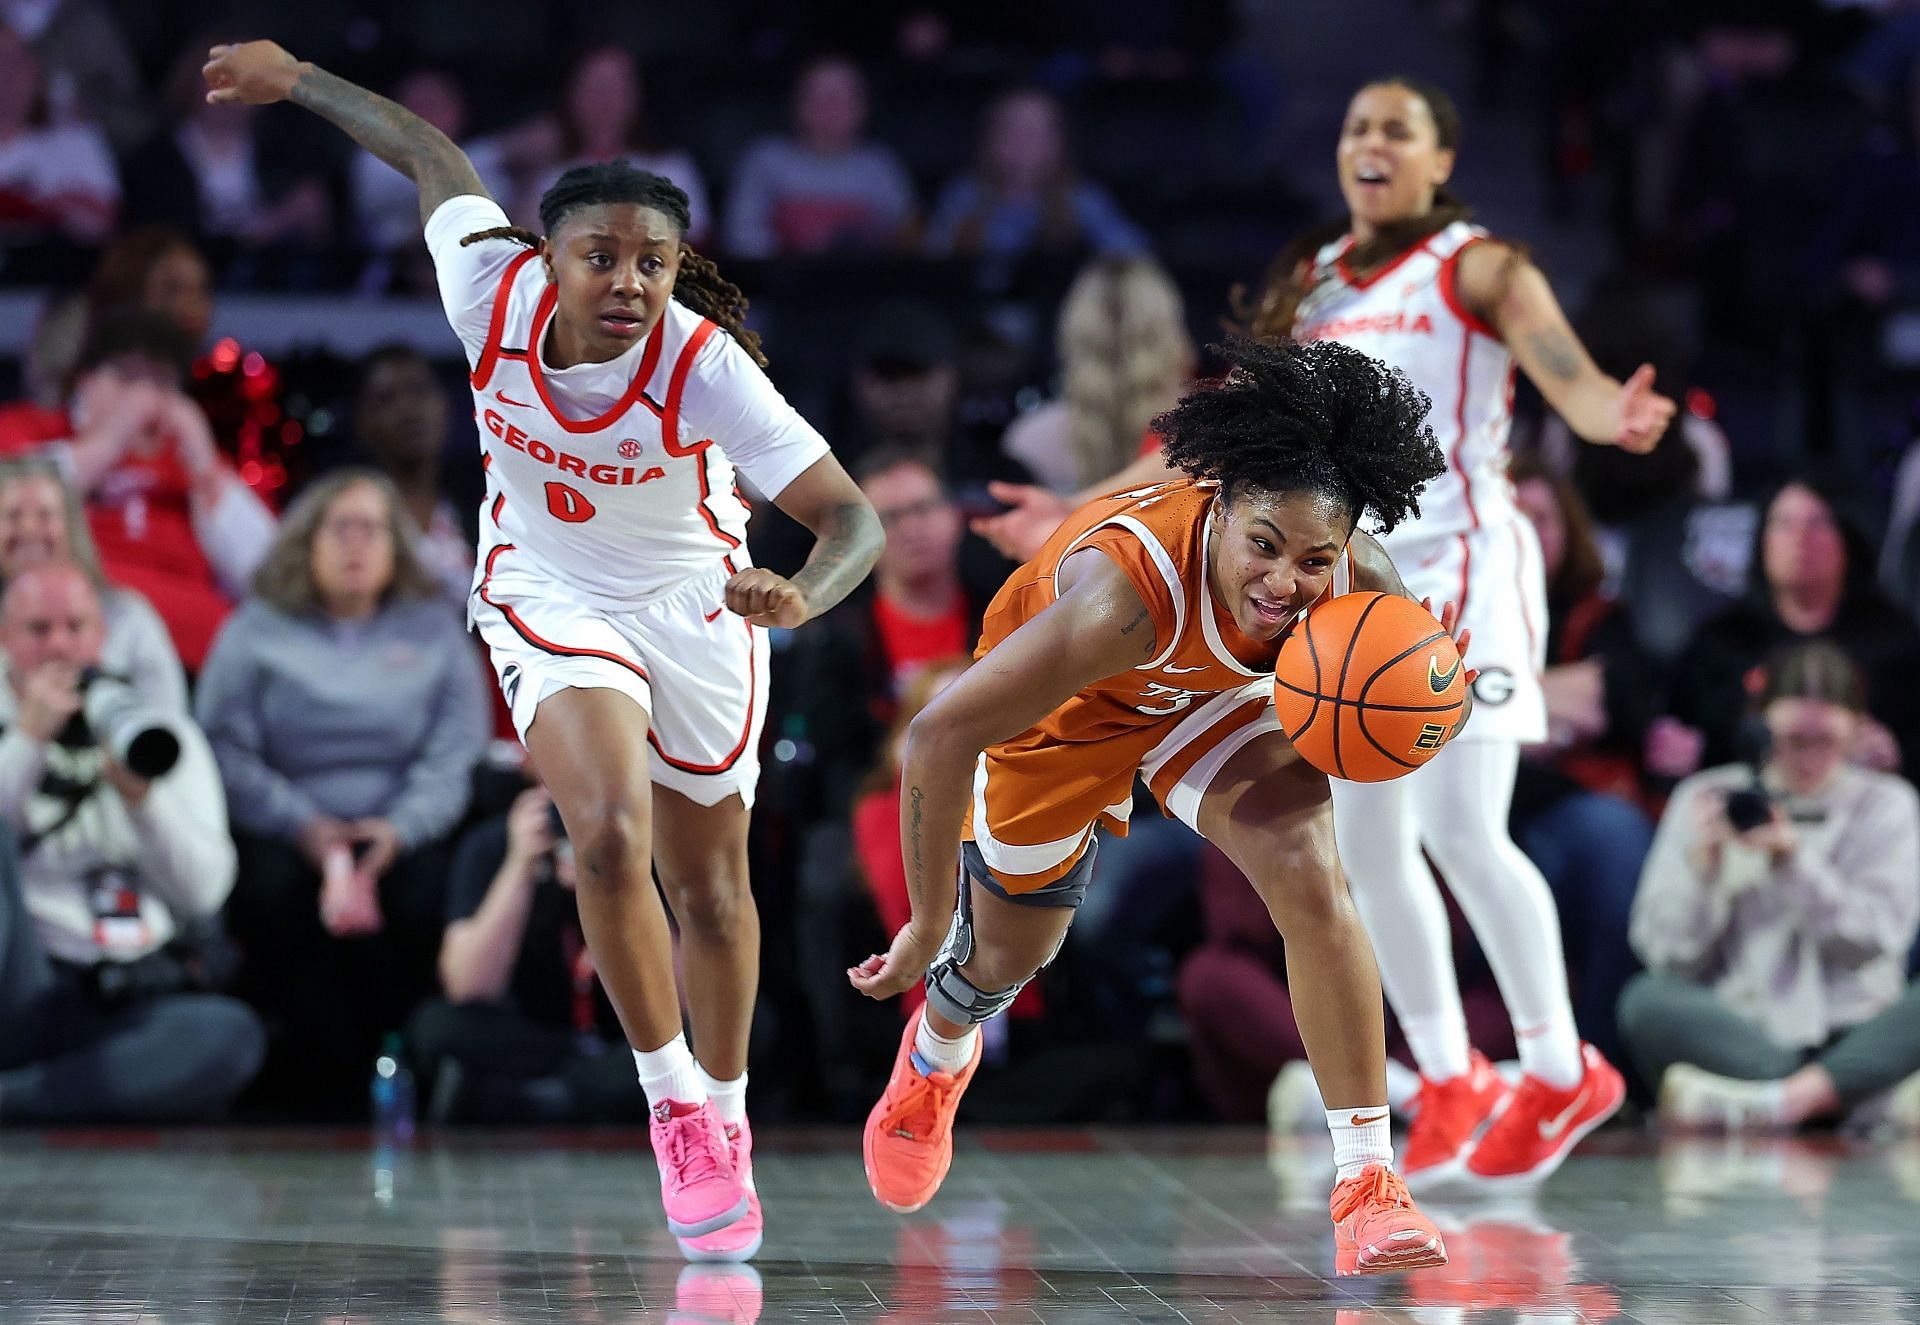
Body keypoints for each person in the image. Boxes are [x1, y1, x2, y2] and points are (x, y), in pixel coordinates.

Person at [203, 39, 882, 1259]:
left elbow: (854, 518)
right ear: (549, 255)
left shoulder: (704, 364)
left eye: (653, 262)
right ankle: (673, 1102)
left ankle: (726, 1115)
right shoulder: (488, 291)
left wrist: (801, 594)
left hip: (699, 604)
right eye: (602, 255)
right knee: (608, 831)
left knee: (713, 889)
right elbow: (427, 149)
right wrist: (296, 77)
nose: (628, 281)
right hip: (548, 589)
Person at [975, 76, 1668, 1188]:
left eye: (1398, 129)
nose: (1371, 144)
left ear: (1442, 161)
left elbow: (1566, 371)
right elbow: (1224, 441)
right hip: (1341, 582)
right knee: (1372, 849)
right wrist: (1077, 509)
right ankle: (1449, 1076)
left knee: (1460, 827)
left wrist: (1607, 415)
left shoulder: (1480, 264)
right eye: (1356, 128)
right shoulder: (1313, 283)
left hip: (1462, 576)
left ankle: (1556, 1064)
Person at [849, 336, 1458, 1277]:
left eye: (1311, 559)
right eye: (1263, 544)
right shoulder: (1120, 596)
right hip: (1077, 702)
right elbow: (935, 736)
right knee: (1014, 951)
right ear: (1219, 511)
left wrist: (1424, 710)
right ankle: (937, 1053)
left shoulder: (1355, 580)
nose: (1285, 583)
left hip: (1211, 700)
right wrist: (929, 922)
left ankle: (1367, 1181)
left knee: (1309, 871)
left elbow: (1393, 709)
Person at [194, 470, 491, 1117]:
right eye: (340, 528)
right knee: (270, 893)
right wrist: (305, 826)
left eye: (373, 529)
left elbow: (456, 754)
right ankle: (307, 1086)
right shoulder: (255, 628)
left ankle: (423, 1066)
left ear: (397, 546)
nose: (356, 545)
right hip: (285, 826)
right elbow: (223, 746)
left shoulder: (436, 631)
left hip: (406, 830)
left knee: (431, 888)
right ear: (307, 540)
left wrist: (398, 829)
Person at [1621, 641, 1920, 1134]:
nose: (1808, 758)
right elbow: (1666, 956)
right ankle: (1853, 1102)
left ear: (1856, 731)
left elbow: (1876, 938)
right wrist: (1704, 871)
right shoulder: (1707, 797)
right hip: (1747, 1033)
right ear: (1760, 725)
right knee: (1645, 999)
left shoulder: (1888, 803)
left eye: (1823, 742)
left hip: (1857, 1028)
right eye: (1793, 741)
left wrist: (1792, 861)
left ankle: (1782, 1104)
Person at [0, 561, 262, 1122]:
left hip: (127, 985)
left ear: (102, 636)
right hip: (25, 978)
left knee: (231, 1037)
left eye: (75, 628)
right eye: (38, 630)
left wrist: (144, 799)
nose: (59, 648)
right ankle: (84, 1094)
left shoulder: (158, 732)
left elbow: (205, 893)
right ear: (5, 640)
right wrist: (26, 740)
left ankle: (24, 1099)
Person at [0, 312, 277, 670]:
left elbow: (272, 576)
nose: (145, 398)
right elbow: (14, 501)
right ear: (87, 382)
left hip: (199, 659)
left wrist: (205, 466)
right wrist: (106, 444)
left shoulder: (200, 467)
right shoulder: (32, 430)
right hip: (69, 642)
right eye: (128, 379)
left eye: (161, 383)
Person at [409, 782, 643, 1125]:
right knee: (436, 1025)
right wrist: (519, 866)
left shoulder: (639, 841)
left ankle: (552, 1096)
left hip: (627, 1043)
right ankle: (572, 1093)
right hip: (535, 1040)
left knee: (730, 1029)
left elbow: (684, 995)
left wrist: (610, 885)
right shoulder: (494, 844)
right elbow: (468, 986)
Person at [0, 457, 187, 713]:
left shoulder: (129, 619)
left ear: (71, 526)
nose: (29, 528)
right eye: (12, 516)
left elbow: (170, 723)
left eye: (45, 515)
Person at [721, 56, 917, 260]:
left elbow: (907, 240)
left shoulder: (881, 166)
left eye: (841, 98)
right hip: (781, 283)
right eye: (818, 97)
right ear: (796, 103)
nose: (830, 109)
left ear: (863, 107)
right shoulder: (765, 159)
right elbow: (741, 237)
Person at [347, 344, 471, 606]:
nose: (408, 410)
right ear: (362, 421)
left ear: (445, 404)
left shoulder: (483, 503)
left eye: (419, 390)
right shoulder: (351, 514)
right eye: (386, 398)